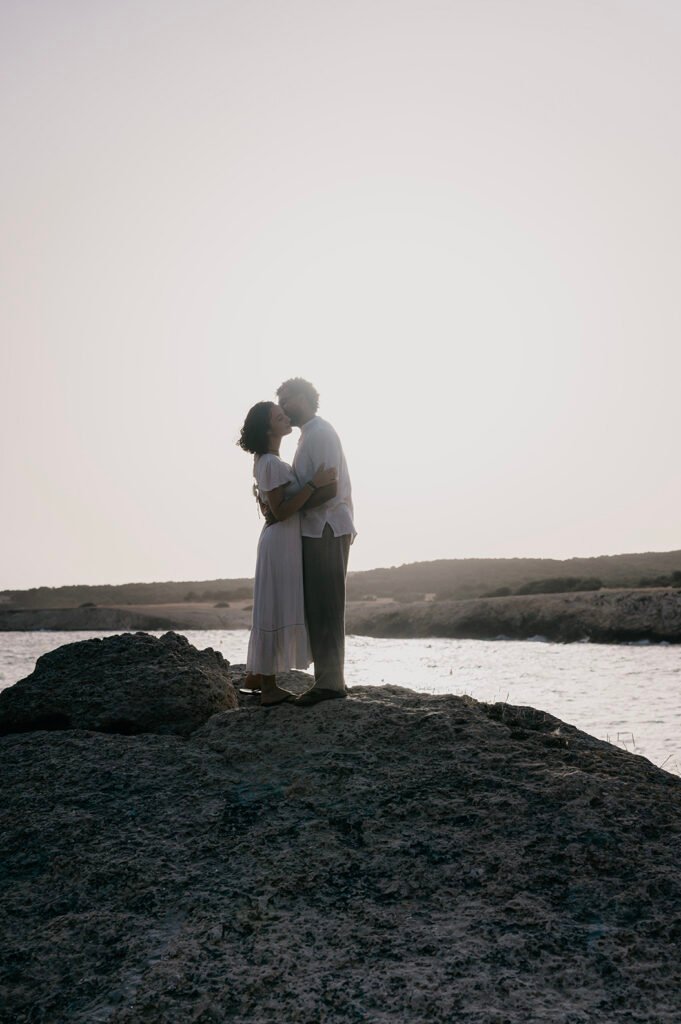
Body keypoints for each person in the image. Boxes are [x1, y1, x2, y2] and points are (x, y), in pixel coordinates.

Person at [237, 401, 337, 707]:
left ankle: (257, 675)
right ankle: (268, 688)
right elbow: (280, 512)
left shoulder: (269, 461)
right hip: (280, 541)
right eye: (280, 417)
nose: (286, 418)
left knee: (273, 604)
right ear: (269, 428)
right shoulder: (270, 462)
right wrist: (313, 484)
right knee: (274, 606)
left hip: (282, 541)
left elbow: (273, 507)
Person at [276, 378, 356, 705]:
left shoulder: (320, 434)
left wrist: (285, 509)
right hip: (316, 528)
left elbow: (329, 489)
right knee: (319, 607)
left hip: (326, 526)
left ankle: (330, 685)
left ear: (305, 399)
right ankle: (328, 679)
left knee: (327, 606)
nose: (282, 406)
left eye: (286, 399)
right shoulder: (308, 435)